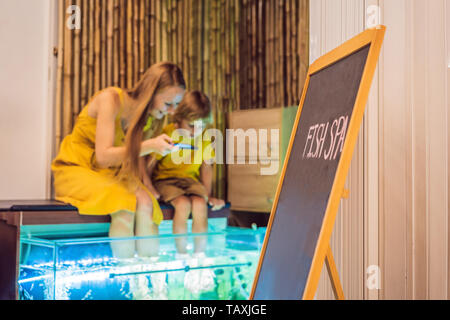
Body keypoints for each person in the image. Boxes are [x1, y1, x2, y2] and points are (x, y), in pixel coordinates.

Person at [51, 62, 186, 258]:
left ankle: (150, 276)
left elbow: (135, 159)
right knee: (124, 205)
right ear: (150, 93)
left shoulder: (148, 119)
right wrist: (150, 146)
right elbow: (104, 157)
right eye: (168, 104)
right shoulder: (111, 99)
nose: (172, 111)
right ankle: (128, 274)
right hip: (78, 167)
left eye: (177, 104)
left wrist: (149, 186)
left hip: (112, 174)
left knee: (146, 202)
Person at [147, 90, 225, 254]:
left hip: (190, 181)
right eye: (191, 125)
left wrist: (207, 194)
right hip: (165, 180)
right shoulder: (167, 133)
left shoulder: (204, 138)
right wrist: (149, 188)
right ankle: (182, 253)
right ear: (179, 118)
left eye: (201, 126)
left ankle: (199, 254)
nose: (195, 131)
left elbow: (206, 168)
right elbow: (150, 163)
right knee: (183, 205)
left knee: (199, 204)